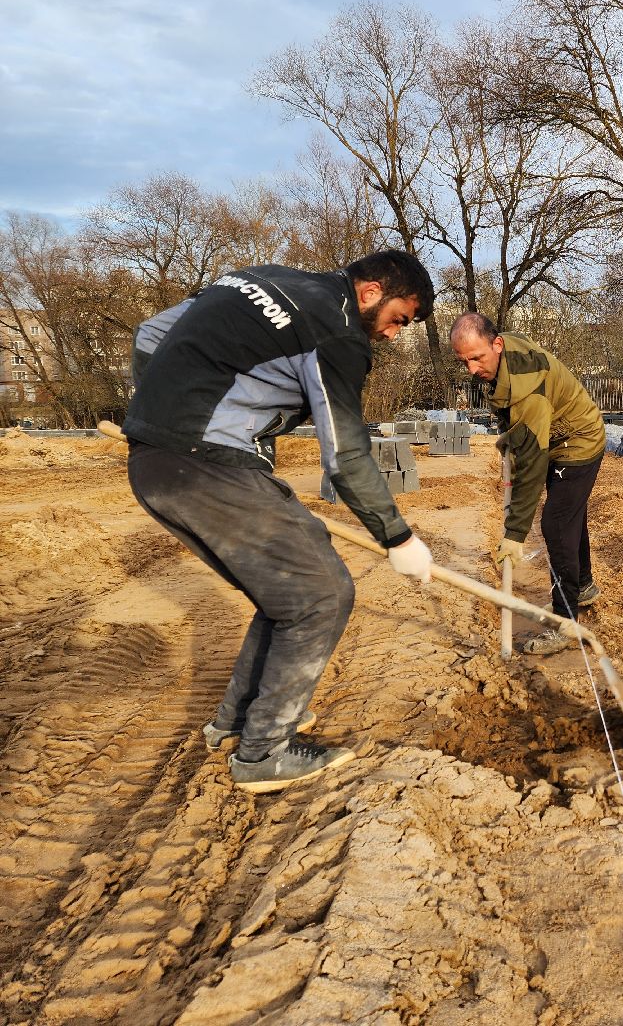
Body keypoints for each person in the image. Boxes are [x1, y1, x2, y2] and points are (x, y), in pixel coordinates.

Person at [124, 250, 437, 793]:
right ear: (371, 292)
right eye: (398, 320)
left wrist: (159, 414)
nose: (391, 336)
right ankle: (264, 752)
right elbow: (345, 453)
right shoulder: (338, 333)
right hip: (207, 466)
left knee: (288, 597)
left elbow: (151, 335)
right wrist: (397, 535)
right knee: (323, 594)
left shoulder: (261, 279)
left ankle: (235, 724)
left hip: (156, 460)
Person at [450, 312, 605, 654]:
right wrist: (513, 431)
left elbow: (532, 465)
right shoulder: (506, 353)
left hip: (578, 440)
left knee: (555, 522)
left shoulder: (527, 391)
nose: (472, 370)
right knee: (568, 515)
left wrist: (515, 533)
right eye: (464, 361)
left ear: (497, 344)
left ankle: (566, 623)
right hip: (558, 432)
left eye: (477, 358)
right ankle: (583, 586)